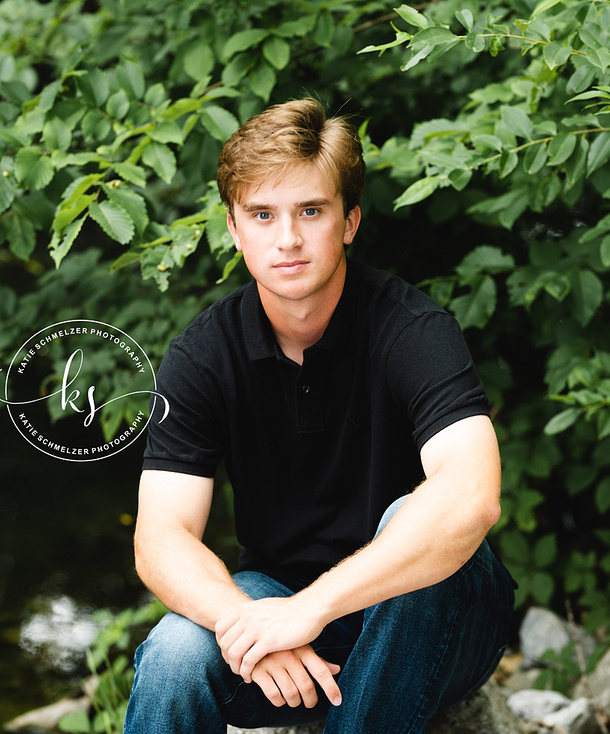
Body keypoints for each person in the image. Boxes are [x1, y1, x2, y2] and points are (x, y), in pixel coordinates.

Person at [124, 98, 514, 733]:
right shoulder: (203, 355)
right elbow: (159, 538)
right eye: (262, 214)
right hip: (282, 609)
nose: (288, 239)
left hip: (439, 615)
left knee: (410, 515)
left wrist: (310, 608)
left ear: (350, 221)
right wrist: (246, 621)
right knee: (173, 654)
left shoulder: (413, 329)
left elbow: (471, 498)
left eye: (311, 210)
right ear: (233, 227)